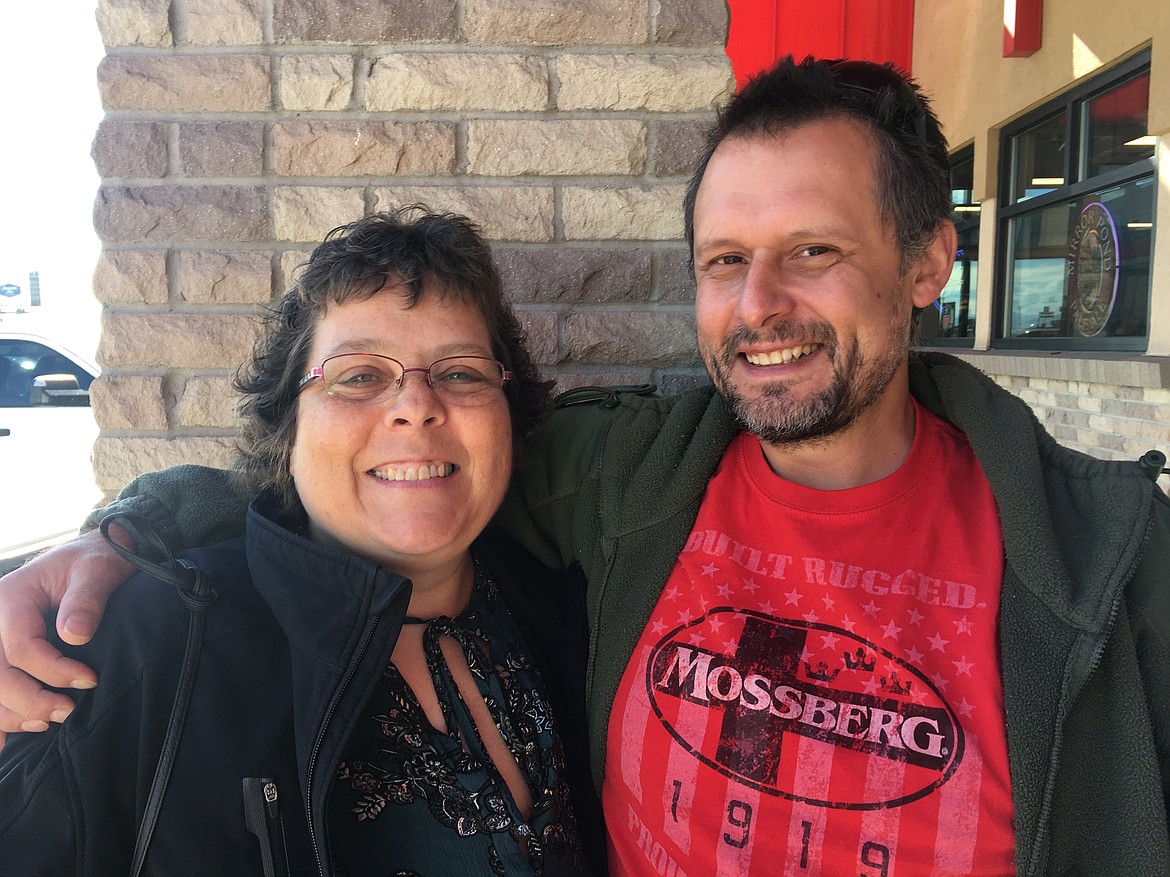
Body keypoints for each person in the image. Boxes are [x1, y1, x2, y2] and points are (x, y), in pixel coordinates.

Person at [1, 56, 1168, 875]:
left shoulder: (1108, 568)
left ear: (926, 260)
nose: (759, 306)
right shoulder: (631, 488)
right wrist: (123, 536)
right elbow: (340, 495)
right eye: (724, 258)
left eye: (812, 250)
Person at [0, 208, 603, 875]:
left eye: (461, 372)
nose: (416, 404)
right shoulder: (149, 644)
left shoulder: (567, 611)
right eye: (360, 376)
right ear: (287, 432)